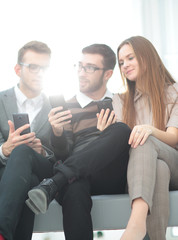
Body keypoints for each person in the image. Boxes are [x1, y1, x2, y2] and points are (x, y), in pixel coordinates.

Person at [24, 43, 131, 240]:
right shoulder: (67, 106)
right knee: (74, 187)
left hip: (112, 173)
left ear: (107, 74)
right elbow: (63, 154)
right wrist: (57, 133)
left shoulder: (124, 102)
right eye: (79, 66)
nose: (81, 73)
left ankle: (55, 182)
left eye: (89, 68)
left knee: (121, 130)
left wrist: (105, 134)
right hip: (78, 175)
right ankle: (61, 180)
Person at [107, 36, 177, 240]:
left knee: (143, 139)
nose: (125, 65)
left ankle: (136, 226)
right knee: (159, 169)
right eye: (121, 62)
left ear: (146, 58)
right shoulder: (119, 100)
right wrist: (108, 133)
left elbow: (173, 138)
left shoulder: (174, 92)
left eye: (130, 58)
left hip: (175, 164)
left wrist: (149, 130)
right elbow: (122, 145)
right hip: (138, 171)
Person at [0, 40, 55, 240]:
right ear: (17, 69)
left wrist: (42, 152)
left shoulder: (55, 106)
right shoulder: (0, 101)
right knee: (28, 180)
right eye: (33, 67)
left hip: (43, 170)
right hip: (12, 176)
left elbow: (66, 152)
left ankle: (1, 232)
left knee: (24, 152)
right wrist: (5, 149)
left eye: (45, 68)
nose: (40, 73)